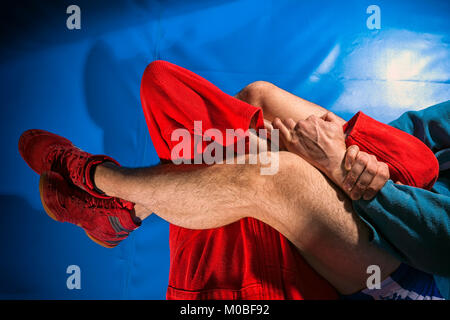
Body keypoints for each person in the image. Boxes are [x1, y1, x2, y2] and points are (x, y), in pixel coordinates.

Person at [19, 60, 449, 300]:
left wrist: (357, 181)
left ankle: (104, 182)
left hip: (422, 274)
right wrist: (352, 159)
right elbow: (418, 139)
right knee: (216, 95)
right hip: (408, 186)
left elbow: (441, 246)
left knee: (274, 173)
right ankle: (121, 209)